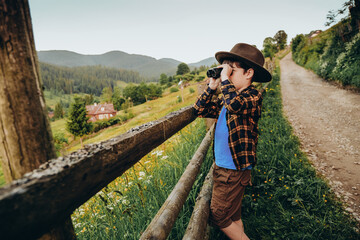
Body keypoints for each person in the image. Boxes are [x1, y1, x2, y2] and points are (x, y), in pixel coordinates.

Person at [193, 43, 272, 240]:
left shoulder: (252, 97)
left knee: (219, 216)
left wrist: (225, 79)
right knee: (233, 215)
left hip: (232, 170)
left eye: (232, 70)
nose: (225, 75)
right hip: (228, 168)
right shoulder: (226, 99)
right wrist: (212, 87)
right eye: (224, 71)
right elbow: (200, 110)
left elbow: (235, 105)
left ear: (249, 73)